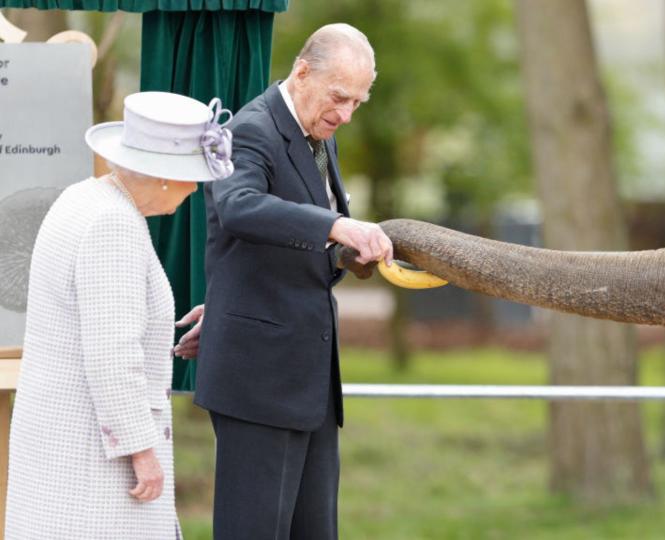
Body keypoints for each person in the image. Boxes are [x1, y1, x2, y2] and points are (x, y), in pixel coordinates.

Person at [183, 23, 392, 539]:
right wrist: (336, 225)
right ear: (302, 72)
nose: (345, 114)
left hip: (310, 379)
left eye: (357, 103)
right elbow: (239, 207)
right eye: (339, 97)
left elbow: (286, 249)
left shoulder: (317, 132)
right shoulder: (250, 129)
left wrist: (348, 253)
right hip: (259, 379)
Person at [4, 92, 235, 539]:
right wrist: (141, 450)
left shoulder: (84, 197)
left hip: (63, 441)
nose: (195, 190)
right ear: (165, 177)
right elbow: (112, 354)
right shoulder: (113, 224)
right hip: (92, 455)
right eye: (192, 177)